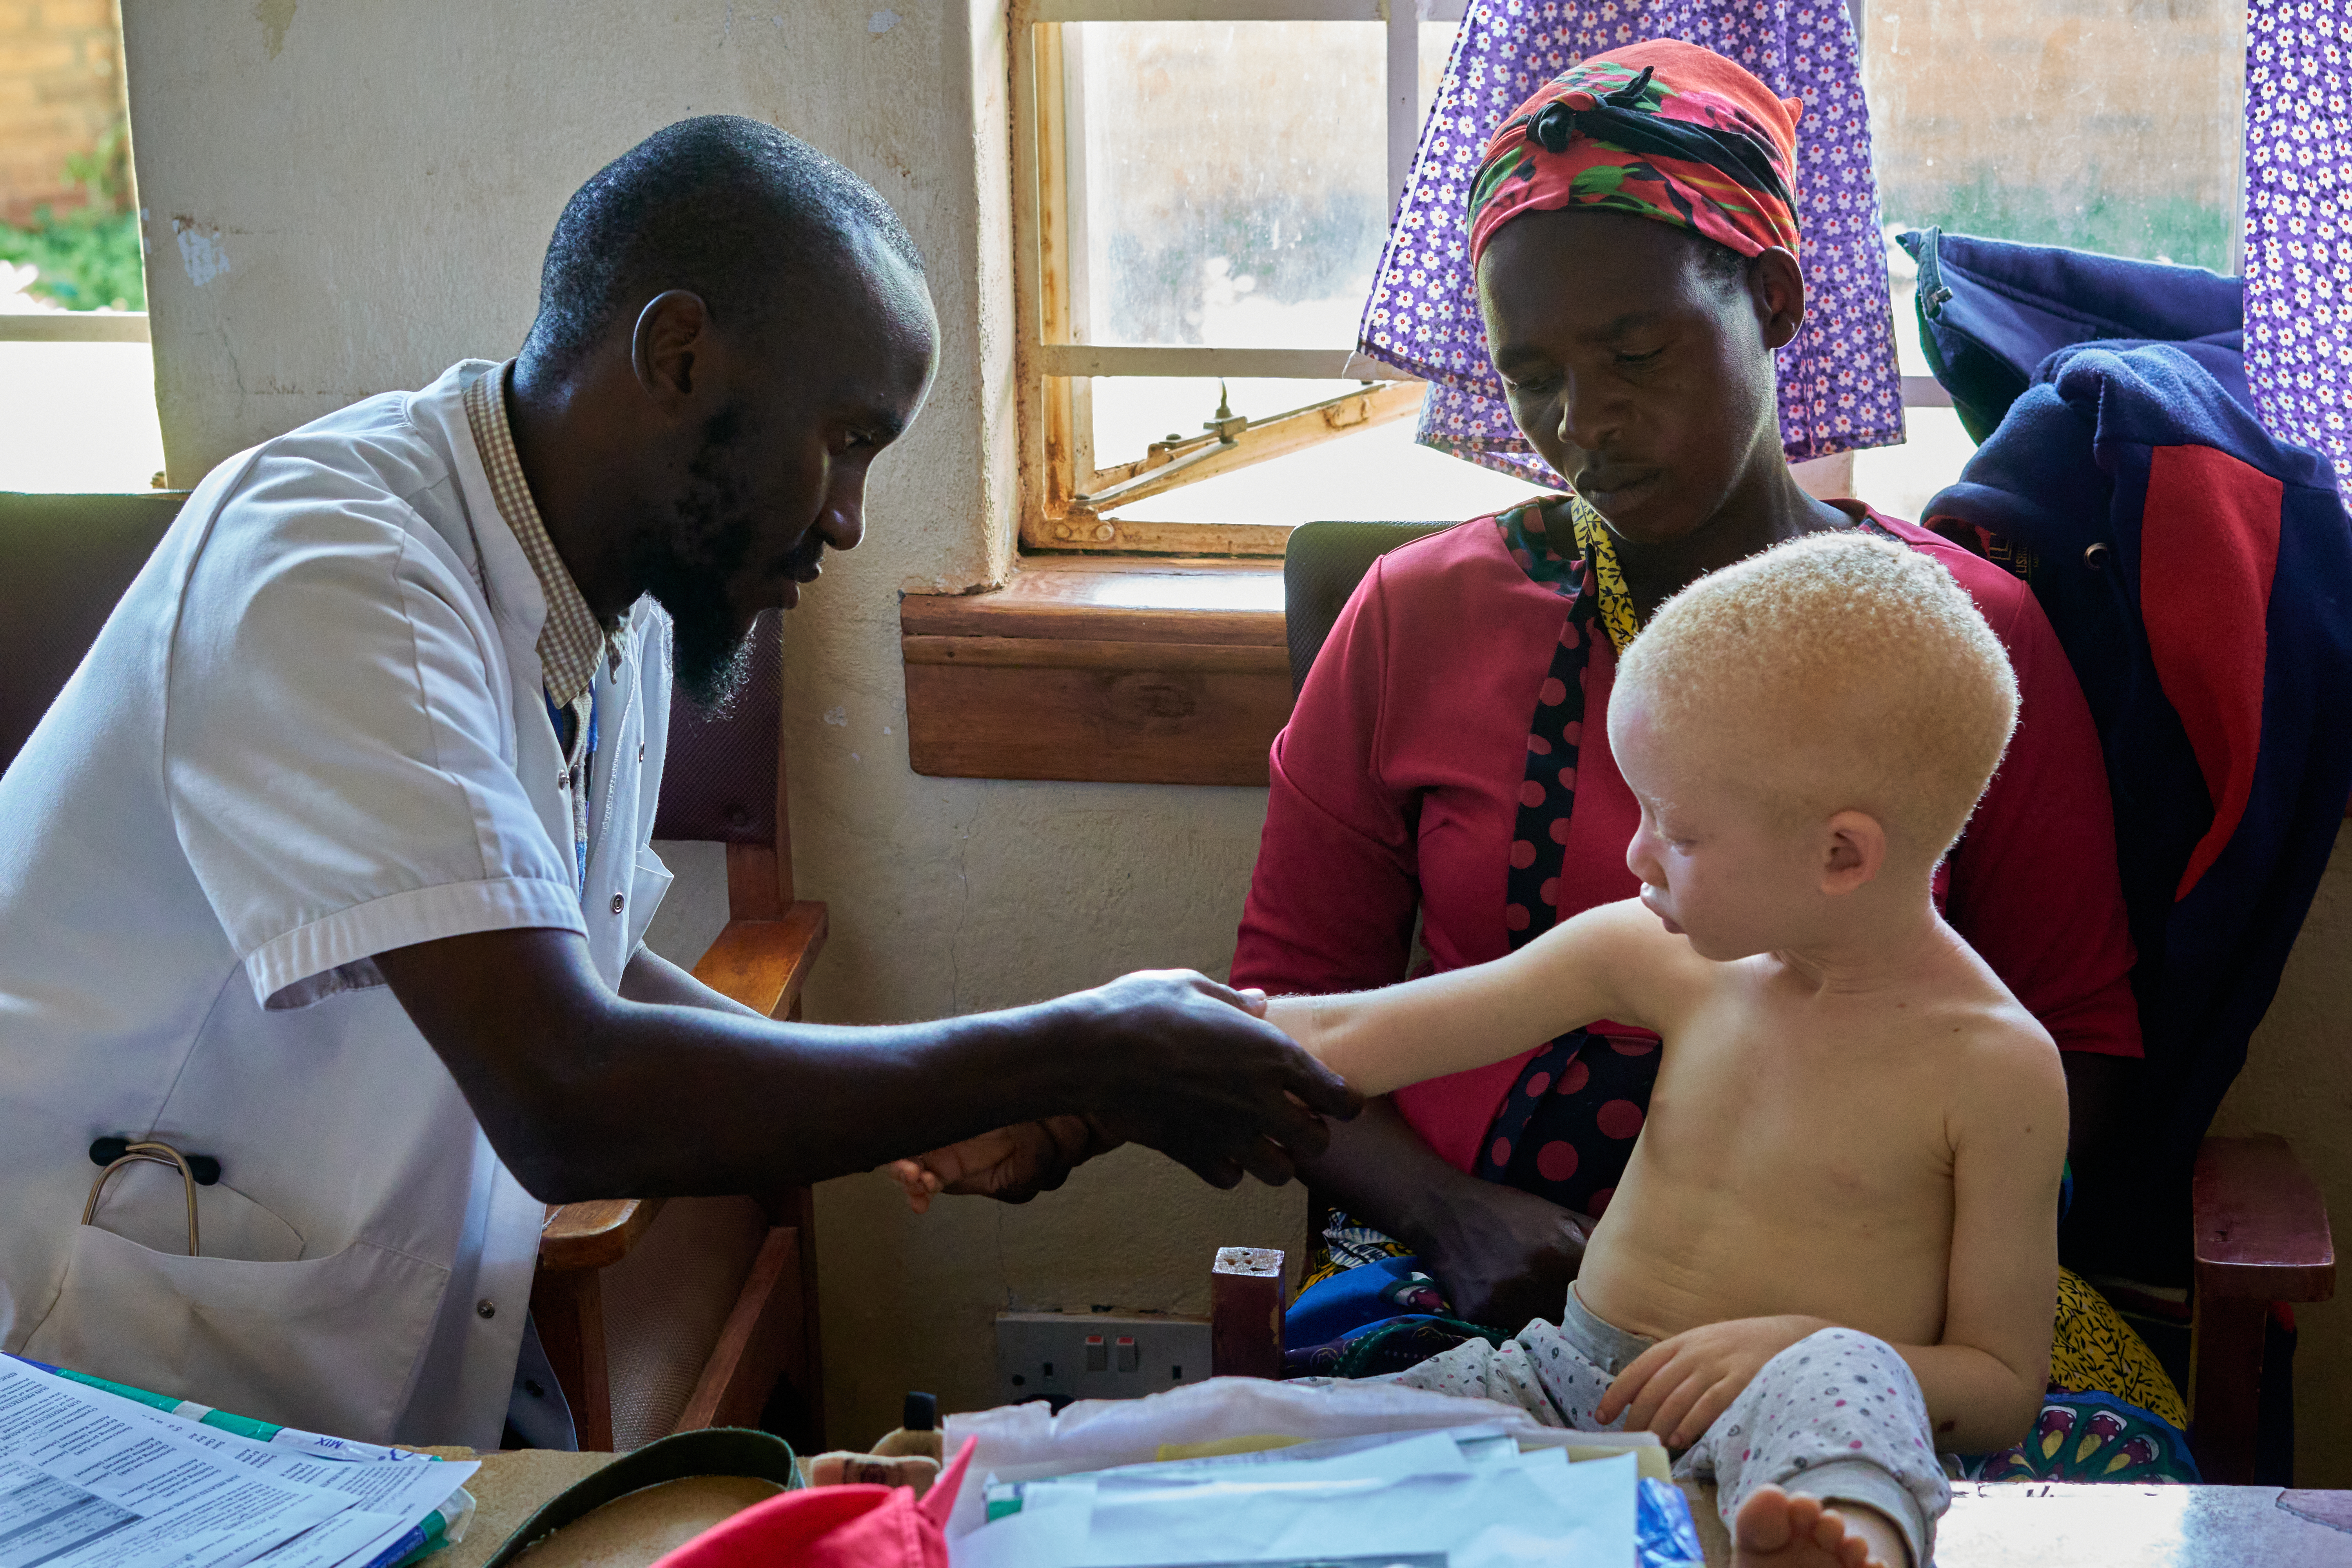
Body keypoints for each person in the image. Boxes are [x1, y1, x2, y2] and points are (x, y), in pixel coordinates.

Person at [0, 116, 1354, 1450]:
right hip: (92, 1374)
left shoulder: (617, 587)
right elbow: (567, 1092)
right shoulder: (334, 574)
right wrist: (1072, 1045)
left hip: (343, 1344)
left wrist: (974, 1088)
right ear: (679, 354)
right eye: (845, 440)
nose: (847, 519)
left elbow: (574, 957)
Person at [1221, 40, 2189, 1472]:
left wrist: (1834, 1296)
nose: (1580, 425)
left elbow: (2077, 1051)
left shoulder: (1962, 642)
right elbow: (1298, 1014)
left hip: (1869, 1306)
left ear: (1774, 300)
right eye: (1531, 373)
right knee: (1348, 1476)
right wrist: (1452, 1213)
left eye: (1635, 352)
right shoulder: (1417, 620)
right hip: (1485, 1278)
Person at [1262, 534, 2057, 1568]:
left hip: (1785, 1424)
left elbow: (1998, 1388)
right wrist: (1114, 1054)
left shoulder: (1995, 1067)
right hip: (1558, 1379)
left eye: (1676, 830)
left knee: (1848, 1391)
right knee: (1329, 1430)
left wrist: (1795, 1344)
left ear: (1841, 854)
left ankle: (1838, 1551)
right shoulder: (1652, 951)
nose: (1635, 852)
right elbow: (1346, 1038)